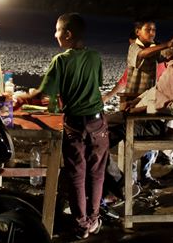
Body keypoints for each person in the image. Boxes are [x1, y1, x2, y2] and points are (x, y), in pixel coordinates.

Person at [15, 12, 107, 240]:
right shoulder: (95, 57)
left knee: (77, 174)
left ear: (67, 34)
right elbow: (98, 83)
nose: (54, 34)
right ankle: (94, 220)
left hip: (75, 124)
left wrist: (21, 97)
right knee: (96, 174)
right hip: (97, 123)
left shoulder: (61, 61)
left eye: (57, 30)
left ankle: (81, 225)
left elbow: (43, 93)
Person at [106, 15, 173, 191]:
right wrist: (139, 100)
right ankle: (116, 183)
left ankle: (120, 186)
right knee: (100, 128)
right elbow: (158, 88)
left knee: (99, 136)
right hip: (149, 115)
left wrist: (143, 109)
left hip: (157, 122)